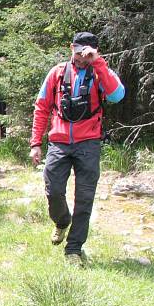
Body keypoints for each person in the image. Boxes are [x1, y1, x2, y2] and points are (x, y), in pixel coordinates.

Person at [30, 31, 125, 265]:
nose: (82, 57)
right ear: (71, 47)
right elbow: (42, 107)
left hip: (88, 143)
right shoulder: (57, 72)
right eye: (79, 51)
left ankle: (73, 249)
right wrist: (35, 143)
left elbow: (117, 95)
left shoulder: (100, 72)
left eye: (88, 53)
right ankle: (62, 221)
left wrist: (98, 62)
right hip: (59, 142)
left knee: (84, 198)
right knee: (53, 191)